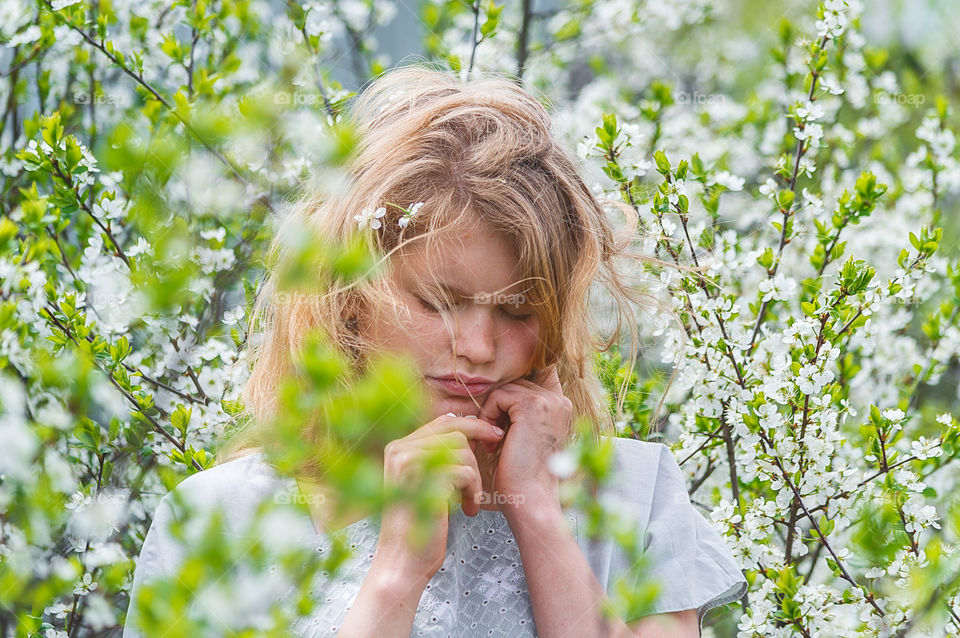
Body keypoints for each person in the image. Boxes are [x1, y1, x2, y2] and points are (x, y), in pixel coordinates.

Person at [123, 64, 746, 638]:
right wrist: (396, 573)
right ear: (349, 298)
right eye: (438, 304)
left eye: (517, 311)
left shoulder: (632, 500)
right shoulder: (217, 521)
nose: (477, 348)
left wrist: (538, 513)